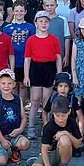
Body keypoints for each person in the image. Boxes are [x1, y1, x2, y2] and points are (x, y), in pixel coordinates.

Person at [24, 11, 62, 139]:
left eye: (46, 21)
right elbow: (27, 59)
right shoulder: (31, 40)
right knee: (35, 100)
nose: (43, 24)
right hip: (35, 68)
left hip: (49, 68)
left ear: (49, 23)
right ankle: (31, 126)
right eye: (41, 21)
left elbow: (58, 57)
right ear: (36, 23)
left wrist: (59, 75)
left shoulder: (54, 39)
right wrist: (26, 76)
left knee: (47, 100)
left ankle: (47, 127)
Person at [27, 97, 82, 166]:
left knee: (64, 139)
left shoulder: (72, 123)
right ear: (53, 113)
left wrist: (66, 134)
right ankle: (41, 163)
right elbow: (44, 149)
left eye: (63, 115)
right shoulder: (49, 126)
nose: (60, 119)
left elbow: (78, 145)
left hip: (64, 152)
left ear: (69, 112)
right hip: (50, 153)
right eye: (57, 115)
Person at [0, 69, 30, 166]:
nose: (6, 86)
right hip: (1, 137)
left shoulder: (18, 99)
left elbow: (24, 118)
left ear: (14, 84)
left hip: (15, 135)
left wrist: (20, 129)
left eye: (9, 83)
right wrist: (2, 140)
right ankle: (0, 149)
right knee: (1, 162)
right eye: (3, 83)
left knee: (25, 144)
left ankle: (15, 149)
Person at [3, 1, 35, 105]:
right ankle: (13, 103)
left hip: (25, 61)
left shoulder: (30, 27)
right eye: (17, 11)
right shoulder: (7, 28)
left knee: (22, 85)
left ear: (25, 12)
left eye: (21, 11)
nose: (19, 13)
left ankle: (21, 104)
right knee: (13, 83)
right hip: (11, 61)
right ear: (13, 12)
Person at [43, 0, 71, 71]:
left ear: (56, 5)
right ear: (44, 7)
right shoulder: (41, 21)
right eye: (47, 5)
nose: (50, 7)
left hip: (59, 55)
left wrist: (66, 55)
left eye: (52, 5)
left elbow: (67, 38)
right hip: (44, 56)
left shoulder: (62, 20)